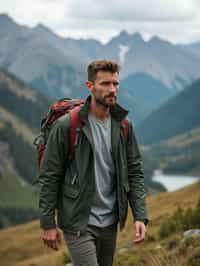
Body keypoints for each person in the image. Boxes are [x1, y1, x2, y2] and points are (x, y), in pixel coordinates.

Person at [39, 59, 148, 266]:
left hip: (110, 221)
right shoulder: (67, 126)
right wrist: (47, 223)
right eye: (105, 84)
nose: (112, 89)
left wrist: (140, 216)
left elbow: (134, 171)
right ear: (90, 86)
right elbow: (49, 176)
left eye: (115, 84)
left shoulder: (124, 125)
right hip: (78, 220)